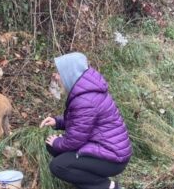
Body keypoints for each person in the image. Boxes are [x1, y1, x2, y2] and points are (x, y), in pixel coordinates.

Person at [40, 52, 132, 189]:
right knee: (54, 147)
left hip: (112, 157)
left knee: (58, 166)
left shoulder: (85, 100)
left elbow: (74, 140)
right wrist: (57, 122)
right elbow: (81, 122)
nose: (56, 77)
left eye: (59, 73)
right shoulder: (85, 91)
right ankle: (89, 183)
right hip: (107, 149)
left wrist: (57, 141)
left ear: (69, 73)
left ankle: (108, 186)